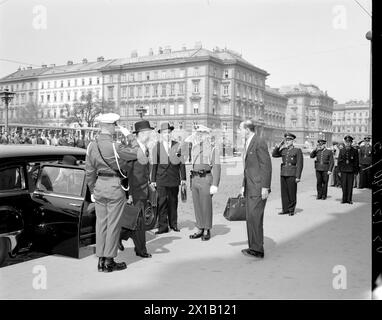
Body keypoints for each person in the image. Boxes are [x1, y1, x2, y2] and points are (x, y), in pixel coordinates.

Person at [85, 113, 136, 273]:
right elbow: (138, 153)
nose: (116, 128)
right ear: (110, 126)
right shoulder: (115, 145)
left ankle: (100, 260)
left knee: (101, 224)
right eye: (115, 125)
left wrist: (93, 189)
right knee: (113, 225)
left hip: (99, 186)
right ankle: (109, 261)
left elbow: (89, 171)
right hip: (114, 186)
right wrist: (130, 136)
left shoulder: (91, 145)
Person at [119, 120, 154, 258]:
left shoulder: (145, 148)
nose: (149, 135)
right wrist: (129, 194)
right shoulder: (132, 149)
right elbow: (127, 173)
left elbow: (144, 170)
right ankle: (141, 250)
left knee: (136, 220)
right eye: (147, 132)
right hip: (136, 191)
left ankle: (119, 237)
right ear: (141, 134)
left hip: (143, 190)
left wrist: (149, 183)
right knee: (139, 222)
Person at [239, 120, 272, 259]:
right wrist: (243, 185)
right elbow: (248, 168)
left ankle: (258, 249)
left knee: (256, 218)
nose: (239, 132)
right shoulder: (248, 142)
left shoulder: (259, 142)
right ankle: (253, 246)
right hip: (250, 186)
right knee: (251, 218)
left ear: (247, 129)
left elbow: (266, 166)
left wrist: (265, 187)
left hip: (258, 188)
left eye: (240, 129)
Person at [185, 124, 221, 241]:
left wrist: (215, 184)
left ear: (207, 135)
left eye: (201, 133)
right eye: (198, 133)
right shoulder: (194, 147)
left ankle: (207, 228)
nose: (199, 136)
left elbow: (217, 167)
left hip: (205, 178)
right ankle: (200, 227)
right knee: (197, 205)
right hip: (195, 178)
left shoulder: (212, 148)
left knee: (206, 205)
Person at [151, 122, 187, 234]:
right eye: (164, 133)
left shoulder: (177, 145)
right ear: (161, 134)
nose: (167, 134)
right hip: (161, 179)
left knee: (173, 202)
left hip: (173, 178)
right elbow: (154, 165)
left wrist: (183, 178)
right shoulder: (157, 147)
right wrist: (152, 180)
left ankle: (174, 224)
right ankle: (163, 227)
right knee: (161, 203)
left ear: (171, 133)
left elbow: (182, 163)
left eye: (168, 132)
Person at [272, 132, 303, 216]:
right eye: (286, 140)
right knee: (284, 192)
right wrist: (279, 145)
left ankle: (291, 209)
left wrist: (298, 176)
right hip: (283, 173)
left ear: (293, 141)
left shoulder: (297, 150)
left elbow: (300, 164)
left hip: (292, 173)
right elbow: (274, 154)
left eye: (289, 140)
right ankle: (285, 209)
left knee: (292, 192)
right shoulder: (283, 150)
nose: (288, 141)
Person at [338, 135, 359, 204]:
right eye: (346, 142)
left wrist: (356, 171)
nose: (348, 143)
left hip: (351, 170)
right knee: (344, 185)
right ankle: (344, 199)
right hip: (343, 170)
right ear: (345, 142)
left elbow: (356, 161)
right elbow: (339, 161)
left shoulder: (355, 151)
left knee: (350, 185)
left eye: (349, 142)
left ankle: (349, 199)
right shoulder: (341, 150)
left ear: (351, 142)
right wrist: (339, 171)